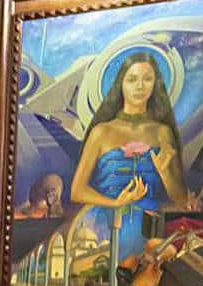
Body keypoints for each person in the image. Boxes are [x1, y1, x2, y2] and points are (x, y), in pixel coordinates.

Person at [68, 50, 191, 265]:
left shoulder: (162, 132)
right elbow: (77, 191)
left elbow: (180, 198)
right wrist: (115, 202)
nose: (140, 86)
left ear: (156, 84)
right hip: (102, 225)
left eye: (147, 79)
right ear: (121, 84)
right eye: (132, 79)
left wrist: (164, 172)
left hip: (148, 226)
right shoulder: (102, 132)